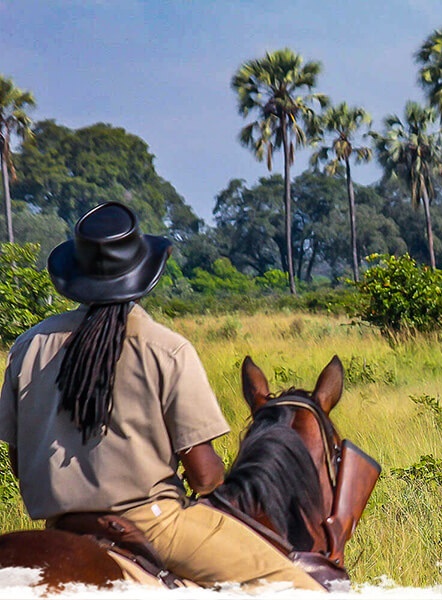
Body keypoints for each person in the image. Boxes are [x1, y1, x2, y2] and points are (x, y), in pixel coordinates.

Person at [0, 202, 323, 591]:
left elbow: (19, 461)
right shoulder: (167, 349)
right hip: (156, 524)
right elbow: (204, 476)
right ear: (142, 274)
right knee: (301, 587)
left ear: (77, 274)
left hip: (60, 525)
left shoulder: (28, 346)